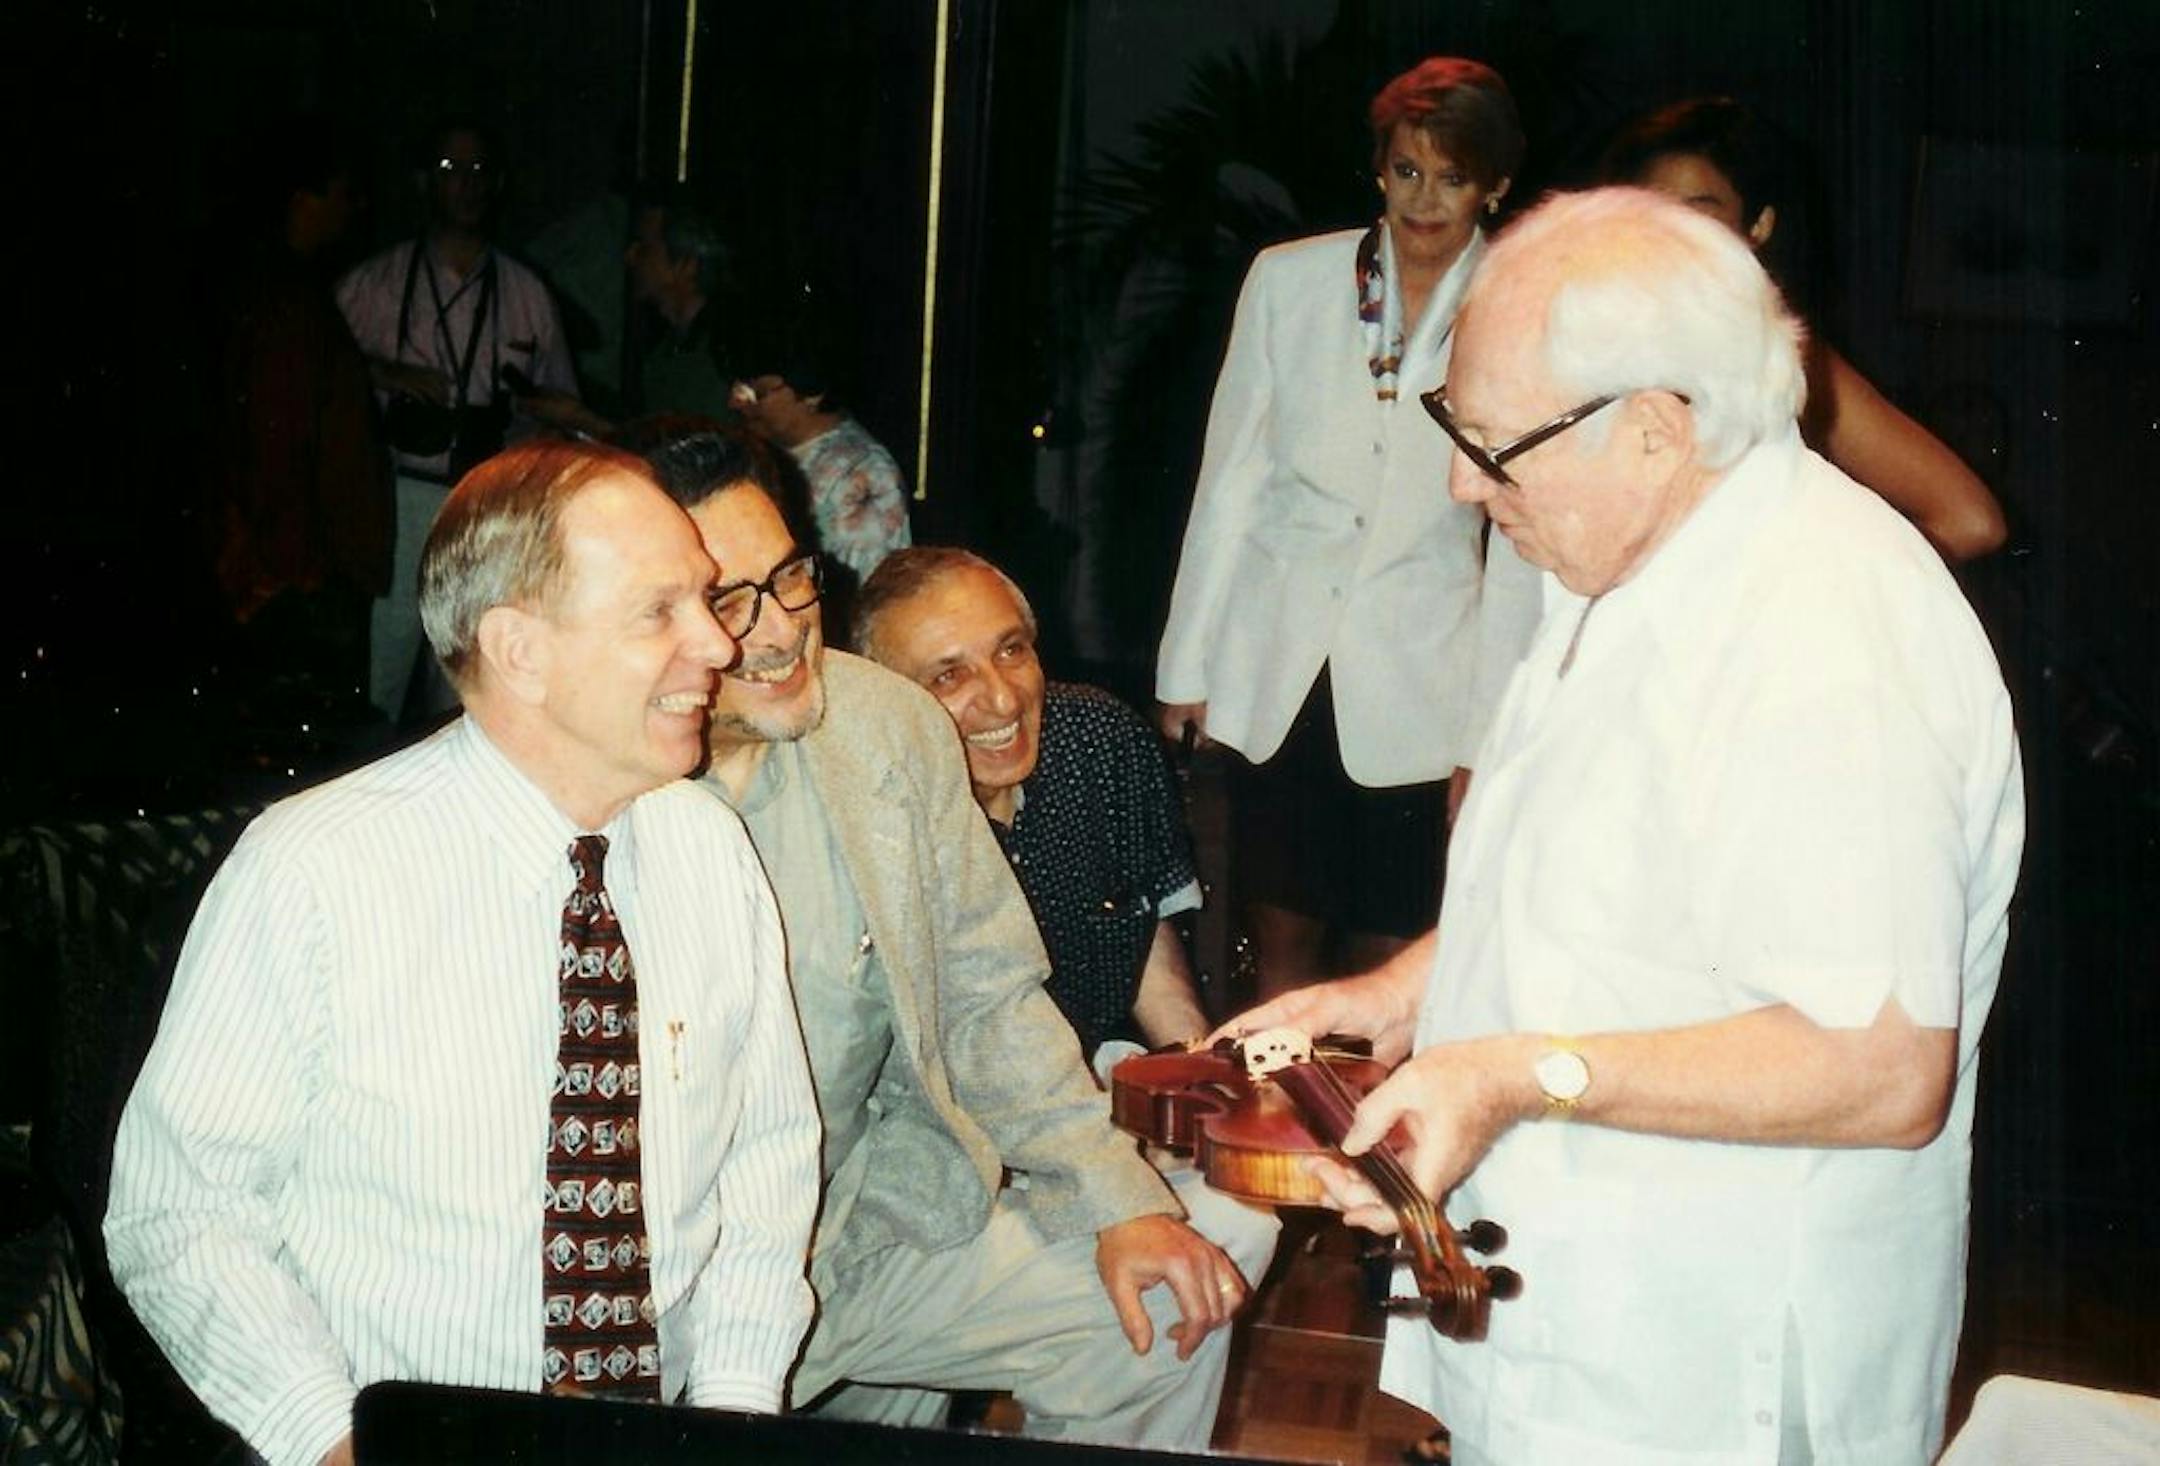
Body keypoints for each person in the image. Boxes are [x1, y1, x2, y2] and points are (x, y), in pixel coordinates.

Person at [1222, 188, 2024, 1465]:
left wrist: (1507, 1073)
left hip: (1705, 1373)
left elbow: (1882, 1063)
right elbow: (1590, 875)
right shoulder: (1638, 554)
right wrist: (1400, 990)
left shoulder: (1825, 639)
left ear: (1655, 427)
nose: (1456, 482)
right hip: (1589, 1325)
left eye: (1490, 442)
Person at [105, 441, 822, 1466]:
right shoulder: (317, 869)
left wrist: (736, 1412)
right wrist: (332, 1437)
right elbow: (178, 1213)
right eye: (658, 611)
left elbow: (767, 1165)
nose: (716, 643)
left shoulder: (707, 851)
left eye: (705, 600)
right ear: (520, 650)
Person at [637, 426, 1262, 1451]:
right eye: (724, 598)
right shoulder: (598, 790)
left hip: (871, 1230)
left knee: (1173, 1282)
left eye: (789, 576)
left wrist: (1114, 1201)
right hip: (677, 1296)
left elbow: (988, 993)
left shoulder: (884, 726)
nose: (781, 627)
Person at [1154, 57, 1542, 1002]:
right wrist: (1187, 668)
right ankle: (1266, 1145)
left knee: (1387, 968)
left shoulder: (1525, 302)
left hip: (1424, 690)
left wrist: (1489, 734)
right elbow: (1229, 480)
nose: (1426, 200)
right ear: (1379, 168)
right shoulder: (1287, 282)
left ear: (1495, 186)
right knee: (1276, 951)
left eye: (1454, 178)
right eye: (1408, 170)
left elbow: (1521, 548)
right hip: (1281, 673)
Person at [1601, 96, 2008, 563]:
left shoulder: (1787, 358)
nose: (1674, 235)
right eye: (1652, 213)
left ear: (1758, 225)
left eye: (1700, 212)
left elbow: (1971, 520)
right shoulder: (1591, 352)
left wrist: (1824, 585)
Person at [855, 545, 1210, 1057]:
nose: (1003, 699)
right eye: (948, 676)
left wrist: (1192, 1079)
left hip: (1105, 1076)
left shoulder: (1097, 738)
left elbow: (1141, 925)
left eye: (1010, 650)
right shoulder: (875, 820)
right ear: (884, 701)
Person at [336, 117, 605, 723]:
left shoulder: (525, 293)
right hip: (399, 498)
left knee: (466, 684)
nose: (467, 185)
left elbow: (560, 404)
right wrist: (384, 372)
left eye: (479, 170)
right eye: (451, 170)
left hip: (485, 507)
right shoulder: (376, 283)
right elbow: (316, 371)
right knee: (380, 672)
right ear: (423, 182)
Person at [201, 114, 389, 707]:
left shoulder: (290, 290)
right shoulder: (285, 301)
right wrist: (288, 568)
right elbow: (277, 442)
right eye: (339, 194)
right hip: (293, 569)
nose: (351, 208)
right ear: (302, 198)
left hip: (296, 558)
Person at [728, 323, 911, 591]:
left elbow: (866, 598)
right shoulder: (758, 453)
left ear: (812, 393)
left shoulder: (863, 473)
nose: (735, 402)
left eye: (758, 393)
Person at [623, 186, 737, 422]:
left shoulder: (724, 355)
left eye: (644, 248)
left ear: (686, 264)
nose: (630, 257)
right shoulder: (666, 351)